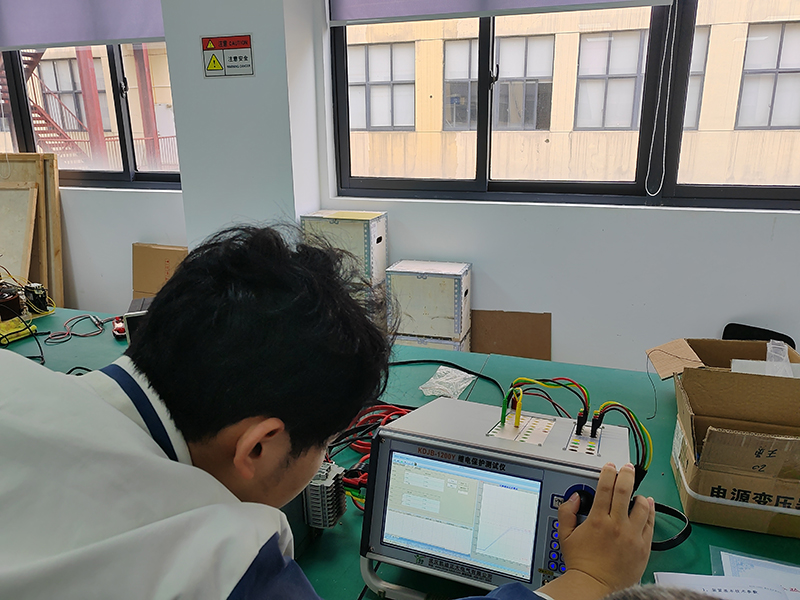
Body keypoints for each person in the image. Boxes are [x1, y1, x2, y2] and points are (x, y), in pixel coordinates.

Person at [0, 224, 654, 600]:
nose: (326, 460)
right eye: (324, 445)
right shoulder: (217, 565)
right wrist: (588, 578)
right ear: (259, 447)